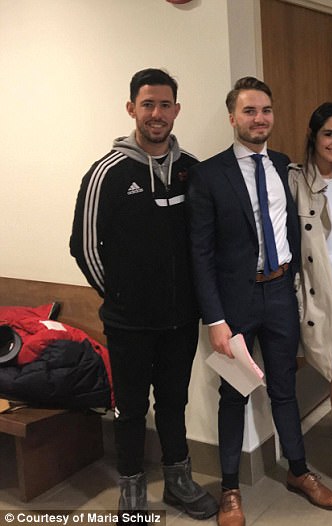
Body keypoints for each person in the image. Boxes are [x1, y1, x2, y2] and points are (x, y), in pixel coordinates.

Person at [187, 77, 332, 526]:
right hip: (233, 305)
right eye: (249, 111)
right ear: (232, 117)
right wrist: (214, 319)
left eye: (266, 110)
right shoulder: (209, 175)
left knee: (284, 389)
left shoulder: (283, 165)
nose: (259, 119)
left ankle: (298, 471)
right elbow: (200, 254)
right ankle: (230, 489)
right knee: (233, 394)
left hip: (279, 294)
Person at [70, 68, 218, 520]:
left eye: (165, 105)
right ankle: (131, 488)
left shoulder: (192, 169)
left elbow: (205, 240)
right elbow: (84, 246)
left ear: (177, 110)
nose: (157, 113)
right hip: (128, 322)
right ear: (131, 108)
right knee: (131, 408)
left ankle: (178, 481)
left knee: (175, 402)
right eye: (148, 104)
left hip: (180, 320)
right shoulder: (106, 173)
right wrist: (120, 295)